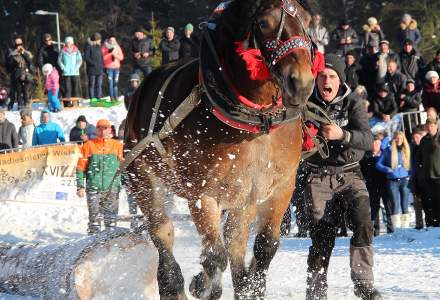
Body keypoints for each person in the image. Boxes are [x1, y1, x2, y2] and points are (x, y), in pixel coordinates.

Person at [301, 54, 381, 300]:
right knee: (322, 236)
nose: (327, 80)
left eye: (332, 76)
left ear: (340, 81)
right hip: (317, 175)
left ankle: (363, 283)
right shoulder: (303, 103)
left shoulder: (353, 102)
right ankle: (316, 290)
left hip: (351, 174)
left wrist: (342, 135)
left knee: (363, 223)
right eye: (322, 75)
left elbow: (367, 140)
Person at [76, 119, 124, 234]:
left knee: (111, 221)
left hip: (112, 188)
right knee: (94, 220)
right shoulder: (88, 145)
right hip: (94, 187)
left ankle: (111, 245)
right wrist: (80, 186)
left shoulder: (117, 146)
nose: (102, 130)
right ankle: (93, 245)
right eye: (100, 128)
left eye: (105, 128)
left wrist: (128, 184)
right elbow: (80, 167)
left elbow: (124, 167)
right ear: (96, 129)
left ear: (110, 129)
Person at [376, 131, 411, 229]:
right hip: (392, 181)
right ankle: (397, 228)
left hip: (405, 180)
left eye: (401, 138)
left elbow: (413, 164)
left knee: (405, 204)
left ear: (403, 139)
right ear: (394, 139)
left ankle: (405, 227)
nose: (399, 140)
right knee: (395, 203)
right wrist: (387, 169)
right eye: (397, 138)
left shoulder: (407, 149)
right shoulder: (388, 150)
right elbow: (378, 164)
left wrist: (410, 174)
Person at [360, 136, 392, 235]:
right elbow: (361, 171)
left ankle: (390, 227)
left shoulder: (385, 155)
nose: (376, 146)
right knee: (374, 207)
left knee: (388, 205)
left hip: (384, 184)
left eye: (378, 144)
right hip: (371, 185)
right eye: (374, 144)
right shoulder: (365, 157)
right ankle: (375, 228)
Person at [416, 118, 440, 227]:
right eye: (428, 126)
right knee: (430, 201)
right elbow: (418, 158)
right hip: (427, 176)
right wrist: (421, 172)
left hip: (439, 176)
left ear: (436, 126)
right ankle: (433, 223)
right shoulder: (423, 140)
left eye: (432, 125)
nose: (430, 128)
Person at [6, 37, 35, 109]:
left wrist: (23, 53)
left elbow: (30, 62)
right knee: (17, 91)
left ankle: (26, 105)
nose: (19, 46)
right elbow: (9, 64)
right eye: (17, 44)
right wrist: (14, 55)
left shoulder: (26, 53)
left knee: (25, 90)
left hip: (26, 74)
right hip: (16, 75)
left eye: (20, 44)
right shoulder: (11, 53)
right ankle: (19, 106)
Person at [58, 36, 82, 107]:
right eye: (67, 42)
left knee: (76, 88)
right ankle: (67, 103)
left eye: (69, 42)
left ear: (72, 43)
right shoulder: (63, 51)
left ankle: (76, 103)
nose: (68, 44)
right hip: (66, 73)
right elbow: (59, 61)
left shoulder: (76, 50)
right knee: (67, 89)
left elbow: (79, 60)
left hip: (75, 73)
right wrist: (63, 68)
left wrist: (76, 67)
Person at [410, 129, 427, 229]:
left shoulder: (425, 147)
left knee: (427, 203)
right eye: (414, 137)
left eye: (417, 137)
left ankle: (430, 222)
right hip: (415, 179)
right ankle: (419, 225)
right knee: (417, 204)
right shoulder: (411, 148)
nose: (415, 139)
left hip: (425, 178)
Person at [102, 34, 124, 101]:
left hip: (116, 67)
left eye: (114, 40)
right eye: (111, 40)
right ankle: (112, 97)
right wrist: (109, 53)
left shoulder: (117, 47)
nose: (112, 41)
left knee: (115, 83)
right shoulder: (104, 47)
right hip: (109, 68)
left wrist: (115, 55)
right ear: (108, 40)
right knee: (110, 83)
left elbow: (121, 57)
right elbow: (102, 58)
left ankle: (116, 96)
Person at [84, 32, 104, 100]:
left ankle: (98, 97)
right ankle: (92, 98)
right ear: (96, 39)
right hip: (92, 69)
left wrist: (102, 65)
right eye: (99, 39)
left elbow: (101, 57)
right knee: (92, 84)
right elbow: (86, 57)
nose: (100, 40)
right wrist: (93, 63)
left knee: (99, 85)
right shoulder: (89, 46)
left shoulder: (99, 46)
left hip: (99, 69)